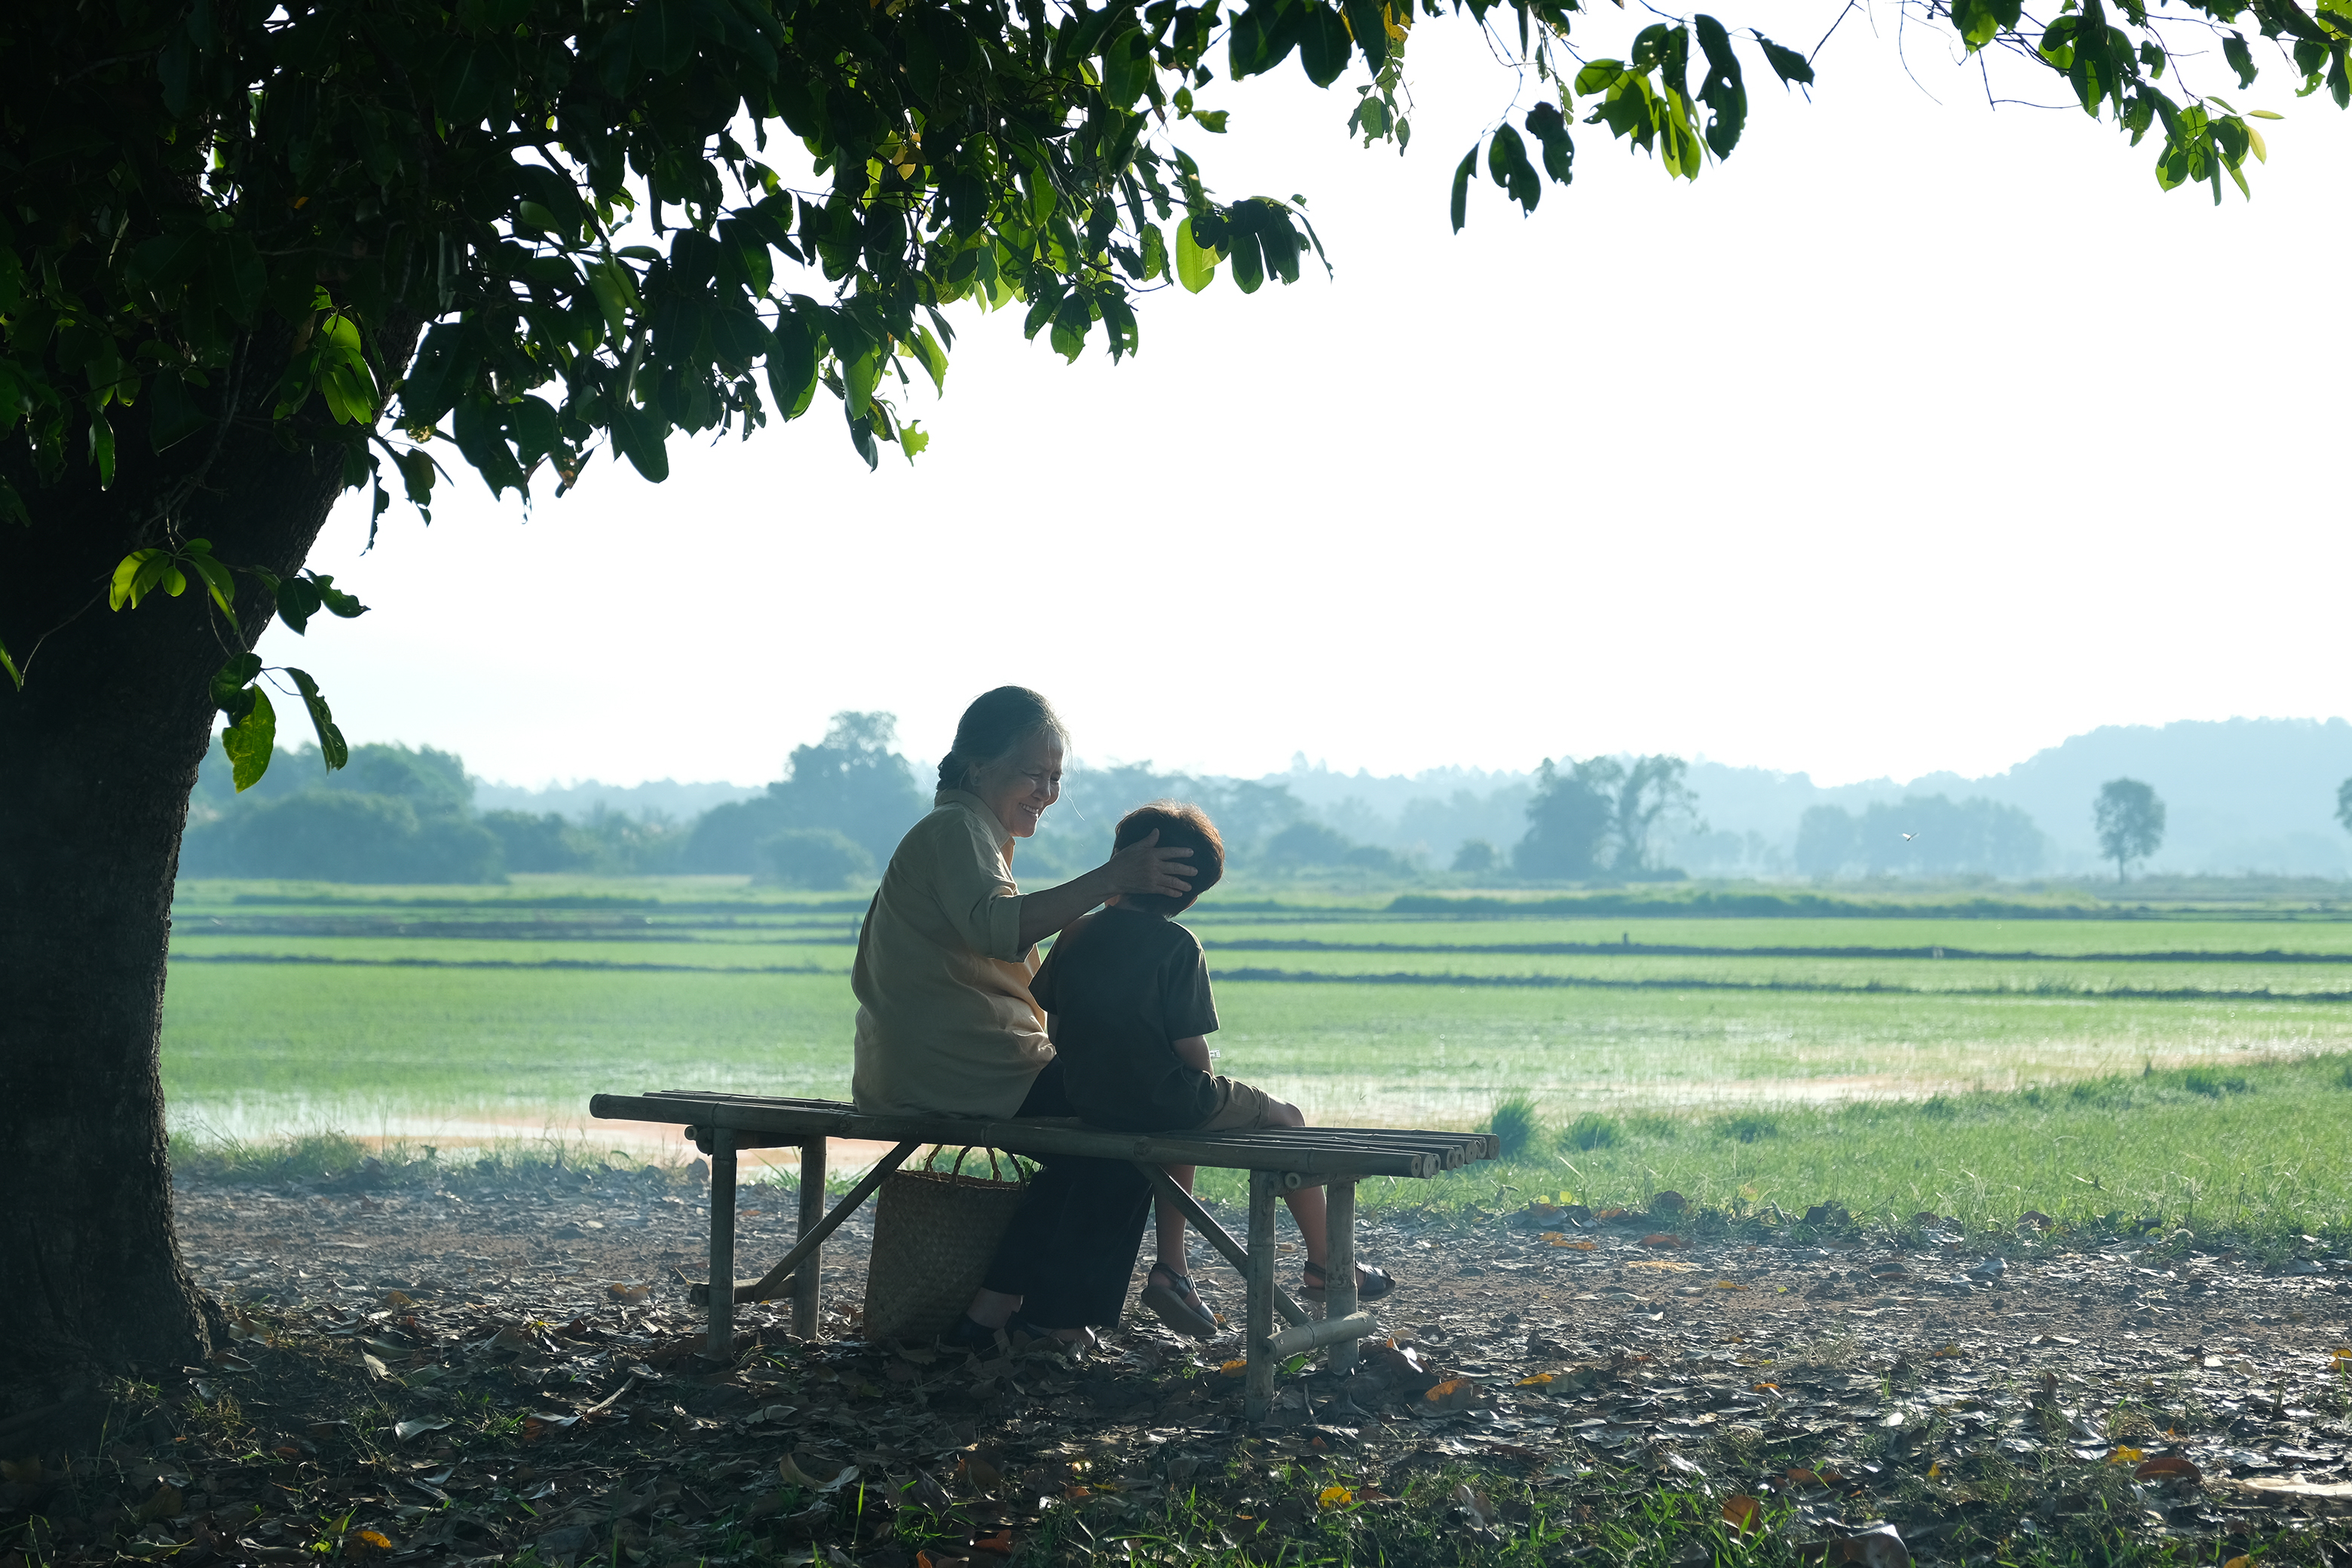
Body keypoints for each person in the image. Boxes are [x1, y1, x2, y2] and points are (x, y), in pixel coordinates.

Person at [848, 686, 1194, 1346]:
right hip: (964, 1066)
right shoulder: (957, 830)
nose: (1046, 791)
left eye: (1056, 778)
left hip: (947, 1064)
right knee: (1135, 1118)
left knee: (1091, 1147)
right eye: (1033, 774)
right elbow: (1000, 931)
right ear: (977, 767)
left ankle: (994, 1315)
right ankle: (1053, 1323)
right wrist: (1109, 880)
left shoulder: (973, 833)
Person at [1027, 801, 1397, 1340]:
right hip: (1170, 1099)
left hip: (1089, 1100)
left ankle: (1174, 1268)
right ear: (1185, 892)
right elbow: (1189, 1054)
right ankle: (1325, 1265)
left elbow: (1056, 1033)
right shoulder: (1178, 946)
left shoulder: (1076, 934)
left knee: (1176, 1129)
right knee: (1286, 1118)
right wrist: (1205, 1083)